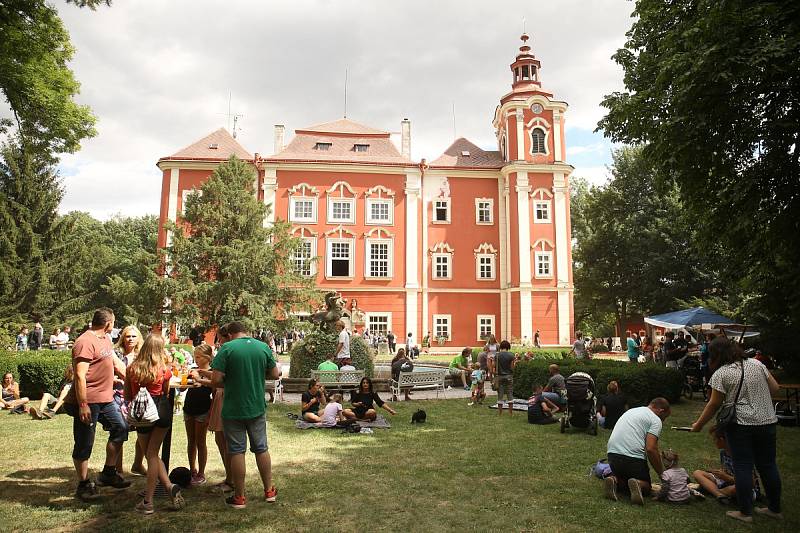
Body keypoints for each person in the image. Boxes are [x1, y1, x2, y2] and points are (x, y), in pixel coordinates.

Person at [690, 337, 782, 523]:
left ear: (715, 355)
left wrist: (698, 425)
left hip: (740, 425)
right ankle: (774, 508)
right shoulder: (757, 364)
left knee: (743, 466)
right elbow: (775, 388)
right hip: (767, 422)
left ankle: (746, 512)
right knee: (768, 465)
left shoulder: (721, 373)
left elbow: (714, 404)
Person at [210, 321, 279, 509]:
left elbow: (215, 379)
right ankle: (269, 491)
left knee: (236, 451)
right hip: (256, 406)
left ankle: (239, 497)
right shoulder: (263, 347)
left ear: (230, 334)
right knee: (261, 448)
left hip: (233, 408)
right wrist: (255, 376)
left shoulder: (227, 348)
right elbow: (275, 373)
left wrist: (232, 382)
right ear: (246, 332)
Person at [66, 308, 130, 501]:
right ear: (108, 323)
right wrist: (83, 404)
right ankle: (83, 484)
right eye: (114, 323)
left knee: (121, 427)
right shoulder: (84, 342)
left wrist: (137, 382)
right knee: (85, 442)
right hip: (89, 401)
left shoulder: (105, 340)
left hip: (106, 399)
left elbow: (116, 365)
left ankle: (108, 473)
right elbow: (79, 375)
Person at [124, 333, 185, 514]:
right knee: (154, 454)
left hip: (143, 413)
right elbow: (166, 392)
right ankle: (168, 486)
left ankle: (148, 502)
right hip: (162, 411)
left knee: (150, 455)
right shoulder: (164, 370)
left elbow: (128, 394)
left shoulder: (133, 369)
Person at [603, 397, 671, 505]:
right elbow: (651, 448)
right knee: (647, 486)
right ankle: (639, 484)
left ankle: (614, 480)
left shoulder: (632, 411)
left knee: (625, 479)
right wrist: (662, 474)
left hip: (612, 455)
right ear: (661, 411)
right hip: (633, 458)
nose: (663, 420)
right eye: (664, 417)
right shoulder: (655, 419)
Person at [202, 325, 233, 494]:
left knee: (224, 440)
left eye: (219, 338)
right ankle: (230, 477)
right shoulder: (233, 351)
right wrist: (202, 372)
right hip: (225, 396)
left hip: (223, 397)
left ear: (226, 336)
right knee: (224, 440)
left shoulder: (226, 351)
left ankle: (231, 479)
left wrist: (202, 377)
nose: (218, 342)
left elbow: (218, 380)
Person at [113, 325, 146, 476]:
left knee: (142, 431)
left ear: (139, 338)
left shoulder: (142, 355)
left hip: (138, 397)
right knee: (120, 431)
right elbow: (108, 374)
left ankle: (137, 464)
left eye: (133, 336)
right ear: (122, 338)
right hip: (119, 397)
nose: (130, 339)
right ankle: (117, 469)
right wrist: (115, 379)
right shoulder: (116, 354)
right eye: (128, 336)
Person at [185, 344, 213, 486]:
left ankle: (201, 472)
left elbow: (214, 390)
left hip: (203, 409)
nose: (195, 359)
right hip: (188, 407)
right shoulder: (193, 370)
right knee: (191, 440)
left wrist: (210, 414)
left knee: (200, 442)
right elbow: (185, 385)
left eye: (198, 357)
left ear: (207, 358)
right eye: (194, 356)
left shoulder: (212, 372)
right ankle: (192, 470)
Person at [494, 340, 516, 416]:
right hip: (509, 376)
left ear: (501, 347)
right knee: (510, 393)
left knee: (500, 393)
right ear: (508, 347)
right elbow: (512, 367)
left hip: (499, 376)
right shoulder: (511, 355)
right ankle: (510, 413)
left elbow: (494, 366)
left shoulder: (497, 355)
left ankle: (500, 413)